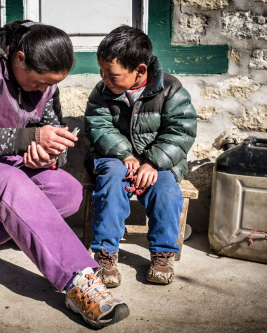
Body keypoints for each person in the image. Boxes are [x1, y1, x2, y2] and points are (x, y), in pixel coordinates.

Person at [0, 20, 129, 328]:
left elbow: (51, 130)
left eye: (51, 84)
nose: (44, 90)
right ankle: (78, 281)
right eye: (39, 83)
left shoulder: (46, 81)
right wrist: (29, 139)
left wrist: (49, 155)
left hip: (8, 162)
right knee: (13, 183)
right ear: (19, 58)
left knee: (67, 192)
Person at [84, 26, 197, 287]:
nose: (104, 78)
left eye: (112, 74)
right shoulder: (102, 91)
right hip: (112, 156)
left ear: (141, 71)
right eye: (101, 71)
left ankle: (163, 253)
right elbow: (98, 127)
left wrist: (154, 162)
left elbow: (181, 131)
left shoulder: (171, 90)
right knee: (112, 180)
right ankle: (104, 254)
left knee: (167, 189)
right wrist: (124, 154)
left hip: (159, 160)